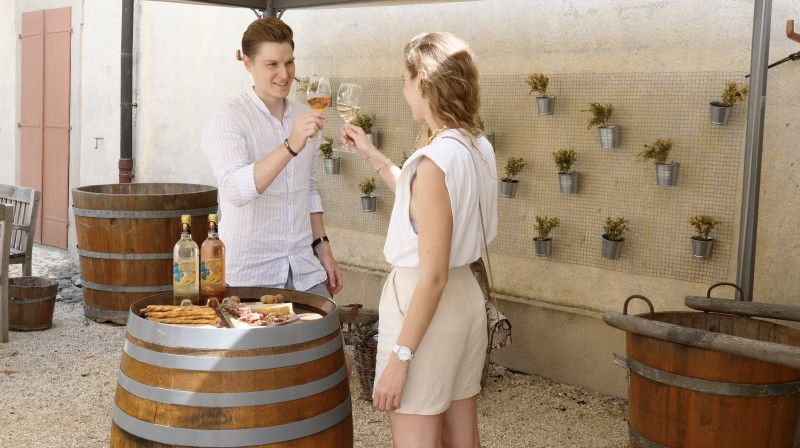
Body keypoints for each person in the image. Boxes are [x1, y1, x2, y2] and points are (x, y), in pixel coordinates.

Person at [341, 32, 498, 448]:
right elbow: (425, 211)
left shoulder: (434, 162)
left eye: (405, 80)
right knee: (462, 440)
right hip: (465, 298)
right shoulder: (477, 147)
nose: (404, 91)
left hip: (424, 305)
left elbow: (432, 276)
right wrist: (373, 155)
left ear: (424, 84)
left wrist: (400, 358)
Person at [202, 17, 343, 300]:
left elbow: (309, 189)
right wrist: (289, 146)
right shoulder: (229, 118)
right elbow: (235, 190)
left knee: (326, 329)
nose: (284, 74)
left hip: (304, 271)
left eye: (289, 62)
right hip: (250, 276)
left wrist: (323, 248)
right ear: (248, 64)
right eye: (272, 64)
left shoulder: (303, 114)